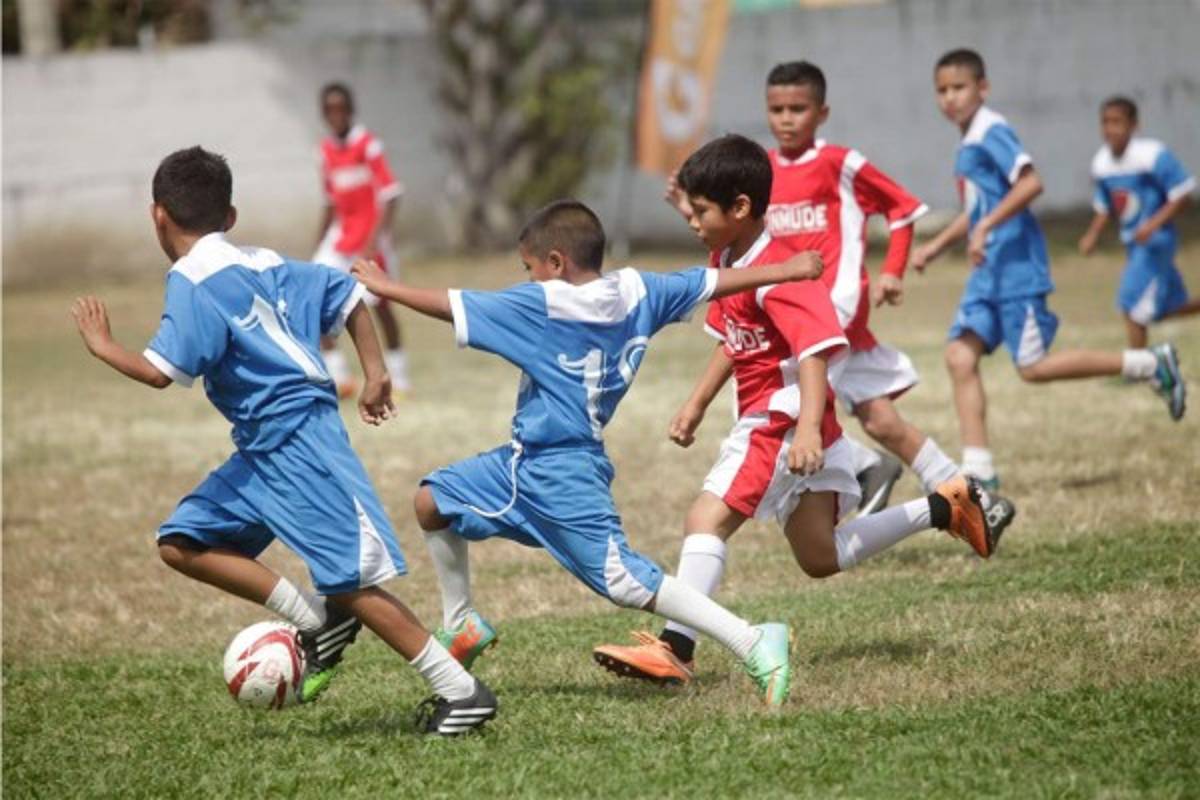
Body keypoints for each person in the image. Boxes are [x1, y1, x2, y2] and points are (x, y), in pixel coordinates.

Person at [70, 146, 495, 736]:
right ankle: (316, 619)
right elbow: (349, 296)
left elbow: (159, 371)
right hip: (261, 448)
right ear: (231, 215)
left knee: (353, 583)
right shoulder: (264, 260)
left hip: (299, 441)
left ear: (157, 215)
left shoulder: (191, 279)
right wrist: (375, 372)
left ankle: (461, 690)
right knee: (182, 540)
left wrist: (102, 344)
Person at [351, 199, 828, 707]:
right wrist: (787, 269)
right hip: (521, 462)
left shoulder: (545, 304)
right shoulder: (638, 290)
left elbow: (455, 304)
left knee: (623, 580)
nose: (528, 281)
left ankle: (754, 640)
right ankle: (461, 623)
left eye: (530, 269)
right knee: (433, 500)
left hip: (562, 471)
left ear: (556, 264)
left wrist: (386, 287)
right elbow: (706, 283)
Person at [592, 135, 1002, 686]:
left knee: (704, 520)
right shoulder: (728, 256)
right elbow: (730, 340)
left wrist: (807, 427)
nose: (690, 221)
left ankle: (676, 647)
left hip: (781, 421)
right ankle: (945, 507)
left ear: (740, 208)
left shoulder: (780, 268)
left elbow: (815, 351)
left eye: (700, 211)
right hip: (789, 421)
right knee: (819, 556)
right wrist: (695, 403)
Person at [663, 60, 986, 520]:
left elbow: (901, 209)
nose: (787, 119)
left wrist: (893, 270)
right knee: (879, 420)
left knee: (787, 417)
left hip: (826, 315)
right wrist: (688, 208)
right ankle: (965, 498)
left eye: (798, 108)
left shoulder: (840, 163)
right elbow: (738, 240)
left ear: (823, 112)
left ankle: (864, 468)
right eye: (777, 109)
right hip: (785, 318)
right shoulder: (761, 172)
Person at [912, 49, 1186, 489]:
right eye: (941, 90)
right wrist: (938, 245)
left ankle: (1149, 364)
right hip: (988, 273)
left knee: (1033, 367)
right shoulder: (967, 143)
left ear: (983, 88)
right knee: (959, 357)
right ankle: (980, 470)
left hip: (1017, 270)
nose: (950, 98)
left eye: (959, 87)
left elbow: (1030, 183)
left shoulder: (991, 130)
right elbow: (977, 208)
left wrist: (986, 228)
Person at [313, 82, 411, 397]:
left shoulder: (368, 145)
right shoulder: (325, 151)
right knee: (315, 297)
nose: (336, 115)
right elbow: (330, 202)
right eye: (330, 109)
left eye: (341, 108)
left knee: (380, 304)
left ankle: (399, 375)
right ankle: (340, 378)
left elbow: (391, 195)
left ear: (351, 110)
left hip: (369, 239)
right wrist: (318, 243)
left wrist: (375, 240)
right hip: (340, 240)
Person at [1078, 95, 1198, 347]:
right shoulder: (1101, 162)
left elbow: (1182, 193)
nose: (1110, 129)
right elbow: (1106, 206)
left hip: (1156, 241)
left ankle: (1139, 367)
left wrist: (1152, 225)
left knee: (1130, 303)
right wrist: (1092, 235)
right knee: (1170, 307)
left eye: (1117, 122)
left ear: (1134, 126)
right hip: (1134, 243)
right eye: (1105, 122)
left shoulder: (1152, 154)